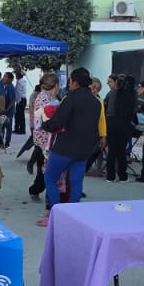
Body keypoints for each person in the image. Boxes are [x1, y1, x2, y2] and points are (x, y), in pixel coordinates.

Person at [38, 67, 103, 227]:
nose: (69, 84)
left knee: (50, 178)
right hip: (83, 150)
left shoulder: (70, 98)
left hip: (64, 148)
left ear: (75, 82)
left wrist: (45, 125)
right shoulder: (96, 102)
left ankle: (57, 213)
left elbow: (58, 121)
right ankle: (74, 216)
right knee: (76, 181)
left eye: (70, 81)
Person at [25, 73, 59, 197]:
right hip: (46, 139)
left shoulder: (43, 96)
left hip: (41, 137)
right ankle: (37, 190)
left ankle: (36, 189)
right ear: (56, 85)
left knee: (43, 169)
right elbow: (51, 121)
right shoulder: (47, 100)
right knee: (46, 169)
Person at [105, 73, 137, 182]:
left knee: (111, 150)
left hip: (111, 122)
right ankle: (123, 176)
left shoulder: (112, 93)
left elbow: (105, 105)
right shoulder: (132, 95)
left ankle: (110, 177)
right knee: (121, 151)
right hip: (124, 123)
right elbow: (134, 110)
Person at [0, 72, 17, 147]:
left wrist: (7, 110)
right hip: (1, 110)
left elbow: (12, 101)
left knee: (8, 126)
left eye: (6, 77)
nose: (4, 78)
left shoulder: (11, 88)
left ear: (10, 79)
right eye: (4, 76)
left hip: (8, 111)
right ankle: (0, 142)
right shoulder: (1, 85)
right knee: (0, 126)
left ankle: (7, 142)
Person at [13, 71, 29, 135]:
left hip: (20, 100)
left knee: (18, 115)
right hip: (23, 99)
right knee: (21, 115)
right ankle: (21, 129)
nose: (15, 76)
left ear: (18, 76)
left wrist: (17, 101)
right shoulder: (23, 81)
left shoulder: (19, 82)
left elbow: (18, 92)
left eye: (16, 75)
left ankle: (19, 129)